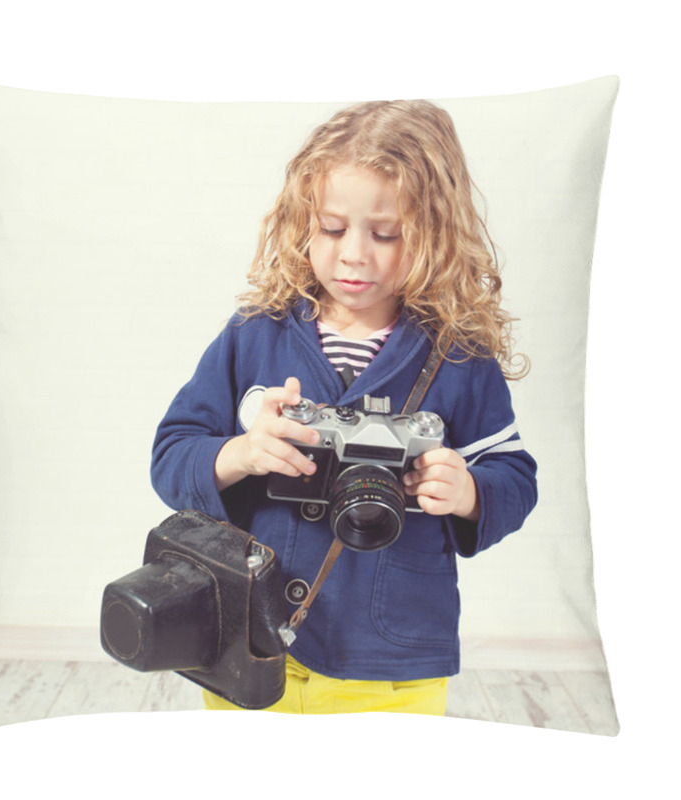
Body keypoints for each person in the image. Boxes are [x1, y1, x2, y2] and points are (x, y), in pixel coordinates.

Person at [151, 100, 538, 715]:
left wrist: (468, 492)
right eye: (332, 229)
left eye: (386, 233)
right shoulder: (255, 333)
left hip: (390, 659)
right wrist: (239, 453)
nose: (354, 254)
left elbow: (515, 476)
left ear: (435, 232)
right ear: (302, 223)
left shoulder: (459, 357)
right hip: (249, 642)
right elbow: (172, 454)